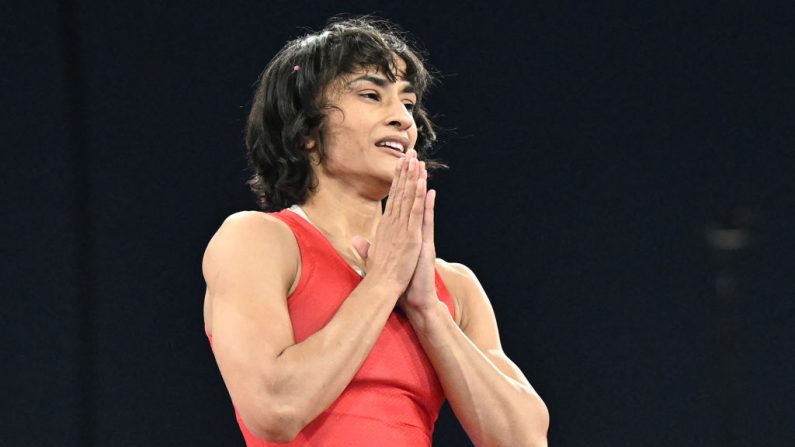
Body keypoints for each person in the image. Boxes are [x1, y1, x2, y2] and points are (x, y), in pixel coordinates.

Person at [202, 17, 549, 446]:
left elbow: (524, 440)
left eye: (408, 103)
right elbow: (275, 408)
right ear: (306, 131)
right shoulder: (257, 241)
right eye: (371, 95)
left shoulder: (453, 288)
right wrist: (383, 282)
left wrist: (427, 311)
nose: (403, 119)